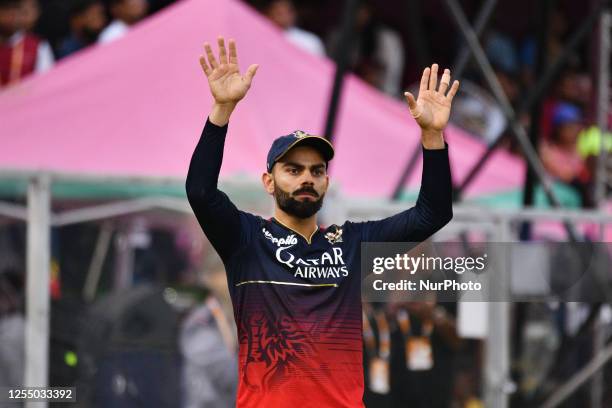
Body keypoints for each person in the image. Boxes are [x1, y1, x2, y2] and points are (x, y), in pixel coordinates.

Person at [186, 36, 458, 407]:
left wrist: (432, 136)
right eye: (293, 169)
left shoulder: (352, 244)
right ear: (269, 181)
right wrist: (221, 111)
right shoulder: (245, 239)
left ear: (326, 182)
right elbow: (201, 192)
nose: (306, 179)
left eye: (317, 170)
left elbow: (433, 213)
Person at [0, 0, 53, 88]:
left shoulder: (39, 46)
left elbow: (46, 83)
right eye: (5, 10)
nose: (10, 16)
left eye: (14, 10)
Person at [260, 0, 325, 57]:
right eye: (279, 13)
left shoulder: (310, 41)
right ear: (269, 14)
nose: (284, 16)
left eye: (287, 12)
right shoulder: (261, 37)